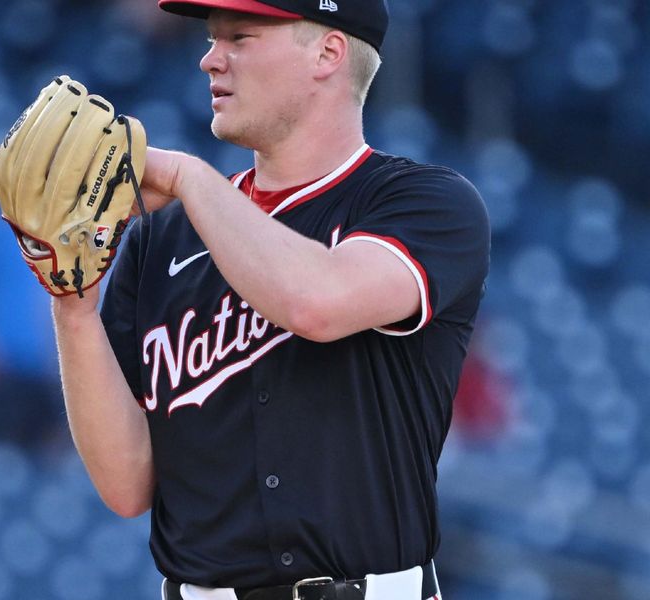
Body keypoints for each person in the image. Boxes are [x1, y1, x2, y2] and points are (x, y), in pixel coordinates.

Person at [52, 0, 490, 598]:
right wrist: (72, 305)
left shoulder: (426, 203)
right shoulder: (161, 236)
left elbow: (315, 303)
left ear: (328, 53)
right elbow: (126, 485)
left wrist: (188, 177)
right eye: (212, 38)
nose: (210, 59)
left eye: (241, 36)